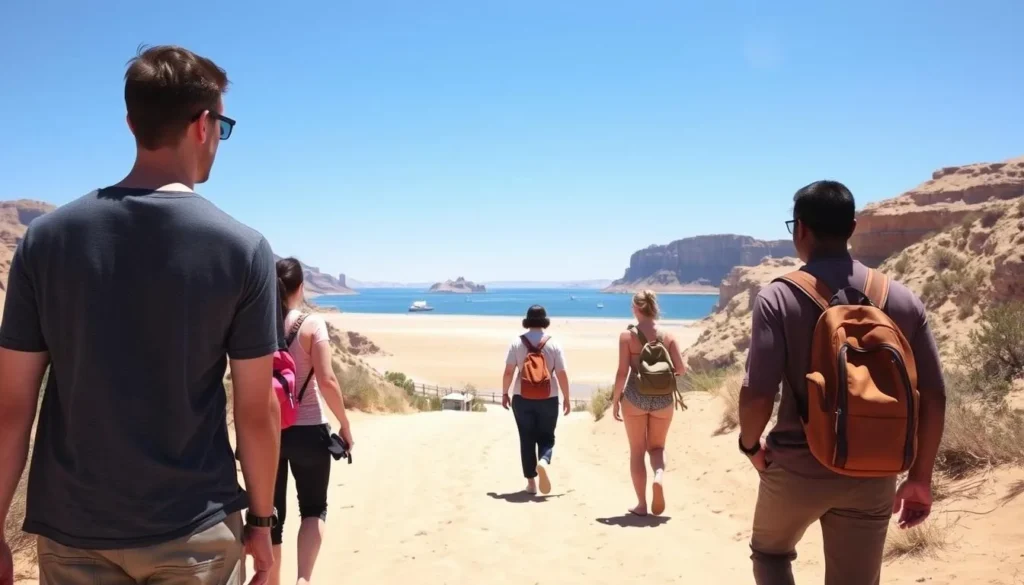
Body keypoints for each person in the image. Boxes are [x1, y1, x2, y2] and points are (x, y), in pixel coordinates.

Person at [0, 45, 280, 585]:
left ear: (132, 123)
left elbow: (12, 406)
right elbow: (255, 408)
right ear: (203, 125)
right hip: (193, 528)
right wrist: (263, 524)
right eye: (220, 127)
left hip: (73, 528)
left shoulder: (46, 241)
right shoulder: (242, 250)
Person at [739, 180, 946, 585]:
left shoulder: (778, 298)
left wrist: (750, 445)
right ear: (852, 228)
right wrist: (920, 478)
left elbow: (758, 391)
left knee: (770, 553)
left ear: (800, 228)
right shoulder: (901, 299)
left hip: (797, 467)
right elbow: (934, 394)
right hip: (874, 472)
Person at [271, 258, 355, 585]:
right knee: (313, 509)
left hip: (267, 432)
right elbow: (328, 379)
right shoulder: (312, 324)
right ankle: (303, 580)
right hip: (309, 431)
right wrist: (345, 425)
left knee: (269, 517)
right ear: (301, 287)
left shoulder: (257, 324)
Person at [612, 290, 687, 517]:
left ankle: (642, 505)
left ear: (636, 308)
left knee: (637, 451)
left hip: (635, 397)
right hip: (663, 399)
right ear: (654, 308)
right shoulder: (669, 336)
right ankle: (659, 477)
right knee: (657, 447)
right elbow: (682, 370)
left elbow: (622, 372)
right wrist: (661, 373)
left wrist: (616, 400)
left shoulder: (627, 336)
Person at [501, 305, 572, 495]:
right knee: (547, 437)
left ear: (527, 320)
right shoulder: (553, 344)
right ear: (544, 321)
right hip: (549, 398)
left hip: (521, 397)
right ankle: (544, 461)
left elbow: (509, 371)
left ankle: (531, 484)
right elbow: (562, 373)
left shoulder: (517, 343)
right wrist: (567, 397)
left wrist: (504, 393)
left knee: (526, 439)